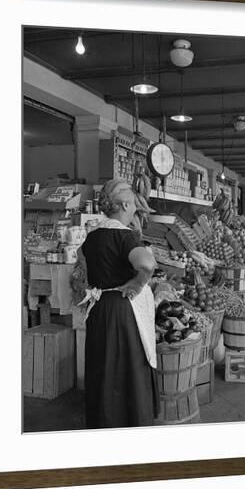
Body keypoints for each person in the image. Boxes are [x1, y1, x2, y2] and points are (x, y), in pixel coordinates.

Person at [77, 179, 160, 428]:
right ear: (124, 204)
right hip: (123, 311)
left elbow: (81, 265)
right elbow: (147, 264)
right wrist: (137, 284)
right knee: (127, 369)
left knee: (103, 369)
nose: (136, 204)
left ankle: (103, 422)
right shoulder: (124, 236)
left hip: (99, 308)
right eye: (132, 200)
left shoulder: (92, 237)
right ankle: (130, 423)